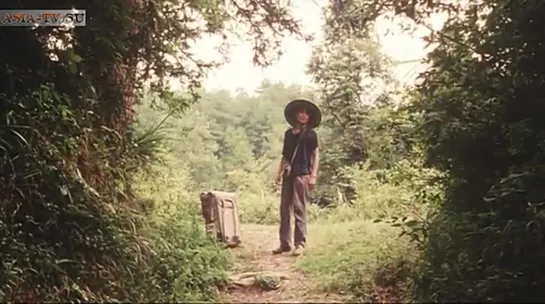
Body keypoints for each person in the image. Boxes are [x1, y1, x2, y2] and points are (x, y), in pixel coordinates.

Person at [273, 98, 321, 256]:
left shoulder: (311, 134)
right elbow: (285, 156)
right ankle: (284, 243)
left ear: (309, 117)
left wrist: (313, 175)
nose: (303, 115)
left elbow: (315, 154)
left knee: (299, 208)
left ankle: (300, 243)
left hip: (302, 174)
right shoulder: (288, 134)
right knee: (284, 209)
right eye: (300, 112)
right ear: (295, 115)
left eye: (306, 113)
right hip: (288, 174)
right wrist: (278, 174)